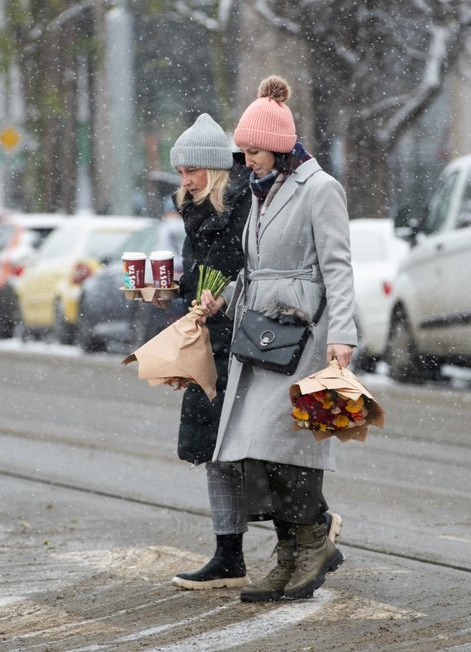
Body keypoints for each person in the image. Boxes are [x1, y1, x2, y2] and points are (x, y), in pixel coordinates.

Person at [198, 76, 357, 602]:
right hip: (260, 335)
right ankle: (292, 549)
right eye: (242, 152)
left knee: (285, 445)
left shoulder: (320, 189)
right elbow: (258, 267)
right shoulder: (265, 193)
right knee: (254, 451)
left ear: (281, 146)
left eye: (253, 151)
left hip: (303, 335)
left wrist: (343, 336)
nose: (247, 162)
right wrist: (223, 297)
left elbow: (338, 269)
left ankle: (312, 542)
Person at [164, 113, 253, 589]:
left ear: (215, 169)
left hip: (243, 345)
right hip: (208, 343)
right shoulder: (195, 211)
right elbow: (202, 277)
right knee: (215, 453)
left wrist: (226, 296)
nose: (185, 181)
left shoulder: (242, 207)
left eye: (192, 171)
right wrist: (172, 291)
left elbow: (249, 271)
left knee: (249, 452)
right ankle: (229, 556)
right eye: (180, 173)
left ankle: (311, 528)